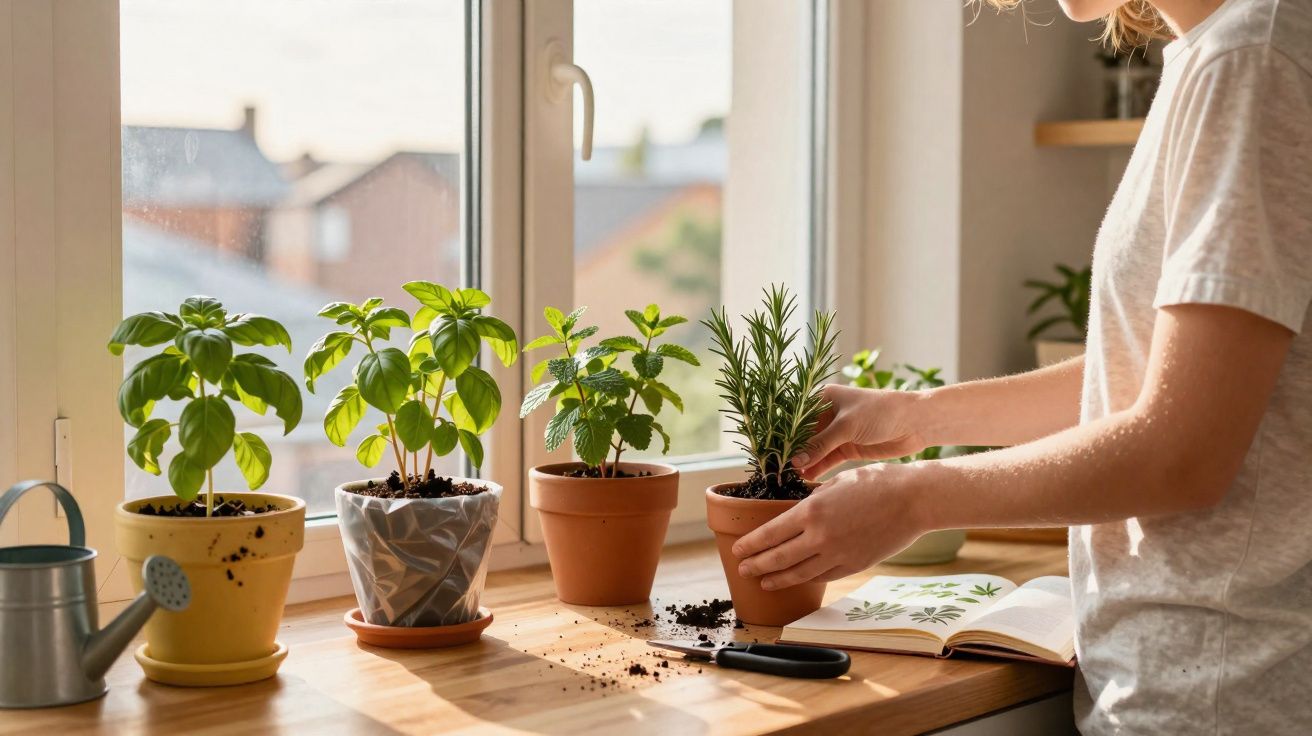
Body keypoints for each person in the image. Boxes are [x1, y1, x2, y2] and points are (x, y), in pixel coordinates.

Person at [730, 0, 1312, 732]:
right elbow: (1150, 376)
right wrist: (919, 418)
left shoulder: (1251, 60)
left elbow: (1182, 452)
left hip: (1225, 698)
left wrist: (915, 497)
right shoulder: (1223, 51)